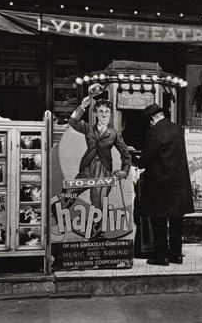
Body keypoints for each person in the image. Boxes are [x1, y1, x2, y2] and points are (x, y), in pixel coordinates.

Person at [61, 95, 131, 239]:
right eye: (100, 112)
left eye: (107, 112)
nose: (104, 115)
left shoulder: (114, 134)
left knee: (98, 203)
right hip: (87, 168)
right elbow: (72, 121)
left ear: (111, 114)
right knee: (69, 191)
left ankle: (95, 235)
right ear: (96, 114)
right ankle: (57, 217)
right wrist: (82, 107)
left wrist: (124, 172)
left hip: (104, 171)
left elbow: (126, 155)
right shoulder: (88, 128)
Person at [138, 103, 194, 266]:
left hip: (159, 184)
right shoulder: (178, 129)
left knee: (159, 220)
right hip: (177, 183)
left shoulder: (153, 132)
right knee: (176, 221)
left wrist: (141, 163)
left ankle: (161, 257)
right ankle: (176, 256)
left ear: (152, 118)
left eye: (149, 121)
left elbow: (145, 159)